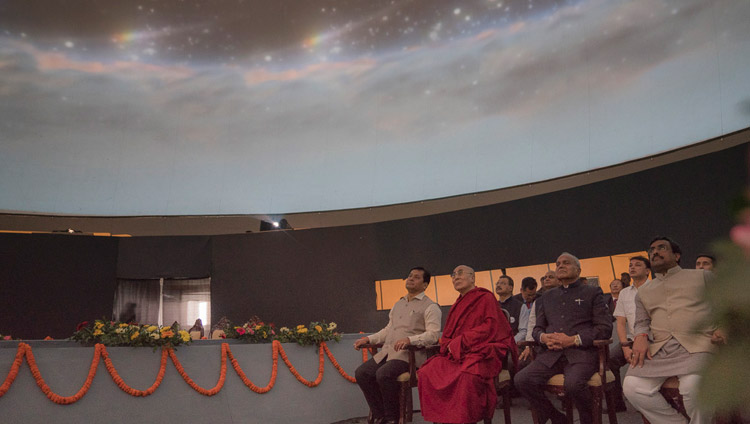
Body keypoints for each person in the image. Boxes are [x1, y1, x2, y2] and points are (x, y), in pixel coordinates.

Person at [623, 237, 723, 424]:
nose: (655, 252)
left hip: (698, 344)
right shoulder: (644, 291)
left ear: (677, 256)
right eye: (652, 250)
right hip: (660, 350)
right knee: (632, 387)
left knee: (694, 388)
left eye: (662, 248)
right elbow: (642, 322)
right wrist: (640, 336)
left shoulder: (703, 277)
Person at [514, 253, 612, 424]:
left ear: (578, 270)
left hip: (581, 354)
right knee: (522, 380)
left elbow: (604, 328)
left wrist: (574, 339)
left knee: (574, 384)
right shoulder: (546, 297)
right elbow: (537, 329)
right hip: (551, 354)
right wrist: (544, 337)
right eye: (558, 263)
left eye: (566, 263)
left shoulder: (592, 292)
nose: (560, 266)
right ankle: (558, 418)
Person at [417, 265, 514, 424]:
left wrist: (462, 341)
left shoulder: (485, 297)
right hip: (457, 354)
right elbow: (448, 333)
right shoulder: (457, 304)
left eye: (460, 273)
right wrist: (450, 344)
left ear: (472, 278)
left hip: (480, 353)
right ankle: (444, 419)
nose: (455, 277)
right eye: (453, 274)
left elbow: (491, 326)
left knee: (466, 376)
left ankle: (465, 420)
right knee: (427, 371)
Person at [354, 267, 441, 424]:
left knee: (383, 374)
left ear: (425, 284)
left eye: (416, 277)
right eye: (409, 276)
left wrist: (410, 340)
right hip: (388, 353)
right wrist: (369, 339)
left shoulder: (431, 306)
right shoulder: (398, 303)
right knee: (362, 373)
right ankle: (380, 415)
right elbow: (388, 330)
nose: (411, 279)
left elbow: (433, 335)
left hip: (410, 357)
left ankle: (392, 418)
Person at [609, 256, 652, 413]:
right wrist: (625, 347)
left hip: (652, 339)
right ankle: (617, 404)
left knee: (646, 364)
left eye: (637, 265)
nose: (632, 267)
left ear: (647, 271)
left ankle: (651, 404)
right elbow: (620, 323)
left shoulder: (655, 288)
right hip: (631, 339)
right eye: (630, 265)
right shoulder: (625, 293)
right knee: (611, 359)